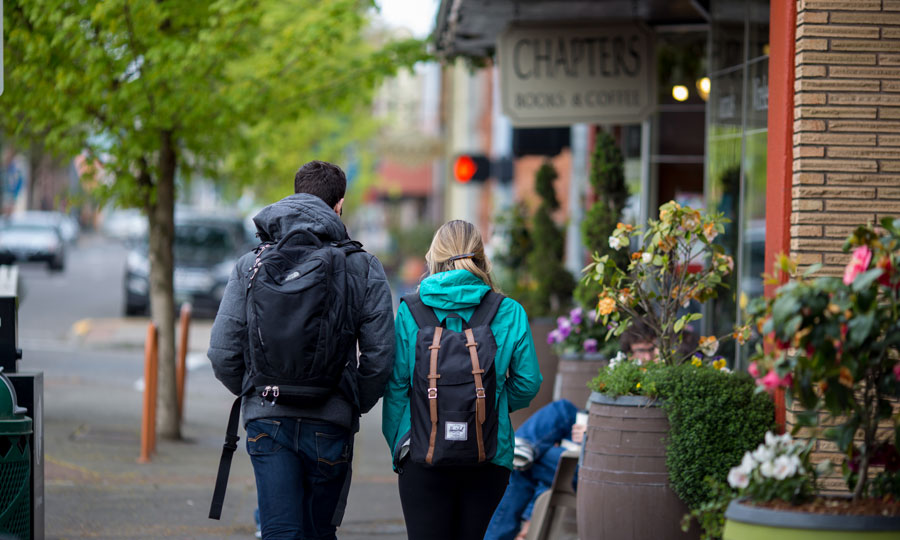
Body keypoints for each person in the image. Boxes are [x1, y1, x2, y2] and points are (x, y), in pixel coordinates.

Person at [208, 160, 395, 540]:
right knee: (318, 532)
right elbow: (380, 358)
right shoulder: (363, 266)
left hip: (267, 417)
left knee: (280, 531)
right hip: (330, 420)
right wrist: (349, 401)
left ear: (294, 195)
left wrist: (256, 388)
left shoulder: (251, 264)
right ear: (339, 205)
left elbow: (222, 352)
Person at [382, 219, 542, 540]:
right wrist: (489, 403)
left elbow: (397, 386)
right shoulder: (509, 311)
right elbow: (528, 382)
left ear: (434, 257)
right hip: (489, 452)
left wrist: (399, 445)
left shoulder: (410, 312)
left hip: (421, 451)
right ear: (482, 257)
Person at [484, 399, 584, 540]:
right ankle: (522, 447)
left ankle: (520, 446)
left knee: (523, 462)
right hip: (581, 451)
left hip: (594, 464)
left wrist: (591, 433)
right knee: (564, 408)